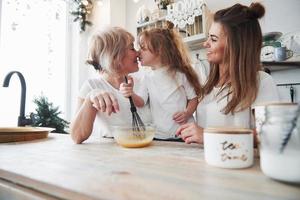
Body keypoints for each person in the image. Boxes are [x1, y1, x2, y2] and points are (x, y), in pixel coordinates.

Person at [176, 3, 279, 144]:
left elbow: (268, 135)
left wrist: (207, 136)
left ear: (236, 45)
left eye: (213, 39)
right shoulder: (209, 86)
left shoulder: (261, 82)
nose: (205, 44)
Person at [70, 27, 149, 144]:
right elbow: (77, 136)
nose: (138, 53)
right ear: (114, 56)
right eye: (132, 48)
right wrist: (90, 98)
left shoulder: (142, 82)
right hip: (110, 156)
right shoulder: (91, 87)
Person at [120, 28, 202, 139]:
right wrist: (131, 94)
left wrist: (187, 113)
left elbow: (193, 98)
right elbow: (141, 102)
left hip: (184, 133)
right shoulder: (147, 77)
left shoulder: (180, 74)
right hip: (159, 135)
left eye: (143, 48)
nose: (138, 52)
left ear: (160, 50)